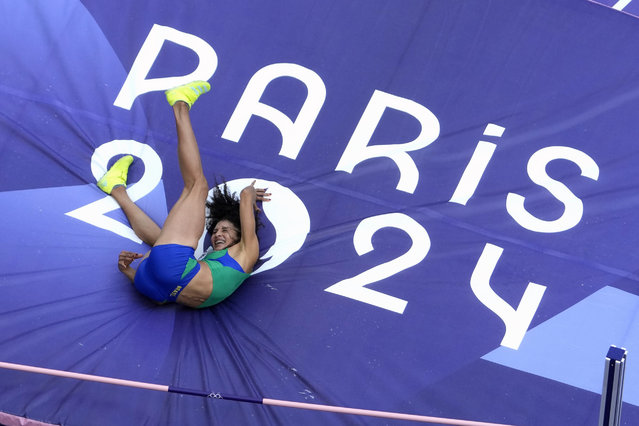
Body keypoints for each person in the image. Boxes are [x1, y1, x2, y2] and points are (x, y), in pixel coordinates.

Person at [96, 80, 270, 308]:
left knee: (196, 186)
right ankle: (116, 189)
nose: (218, 234)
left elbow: (246, 196)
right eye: (217, 230)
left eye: (226, 230)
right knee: (162, 240)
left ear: (240, 236)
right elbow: (170, 273)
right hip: (155, 290)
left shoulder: (248, 251)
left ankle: (180, 105)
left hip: (165, 277)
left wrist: (248, 193)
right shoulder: (211, 263)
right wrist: (127, 271)